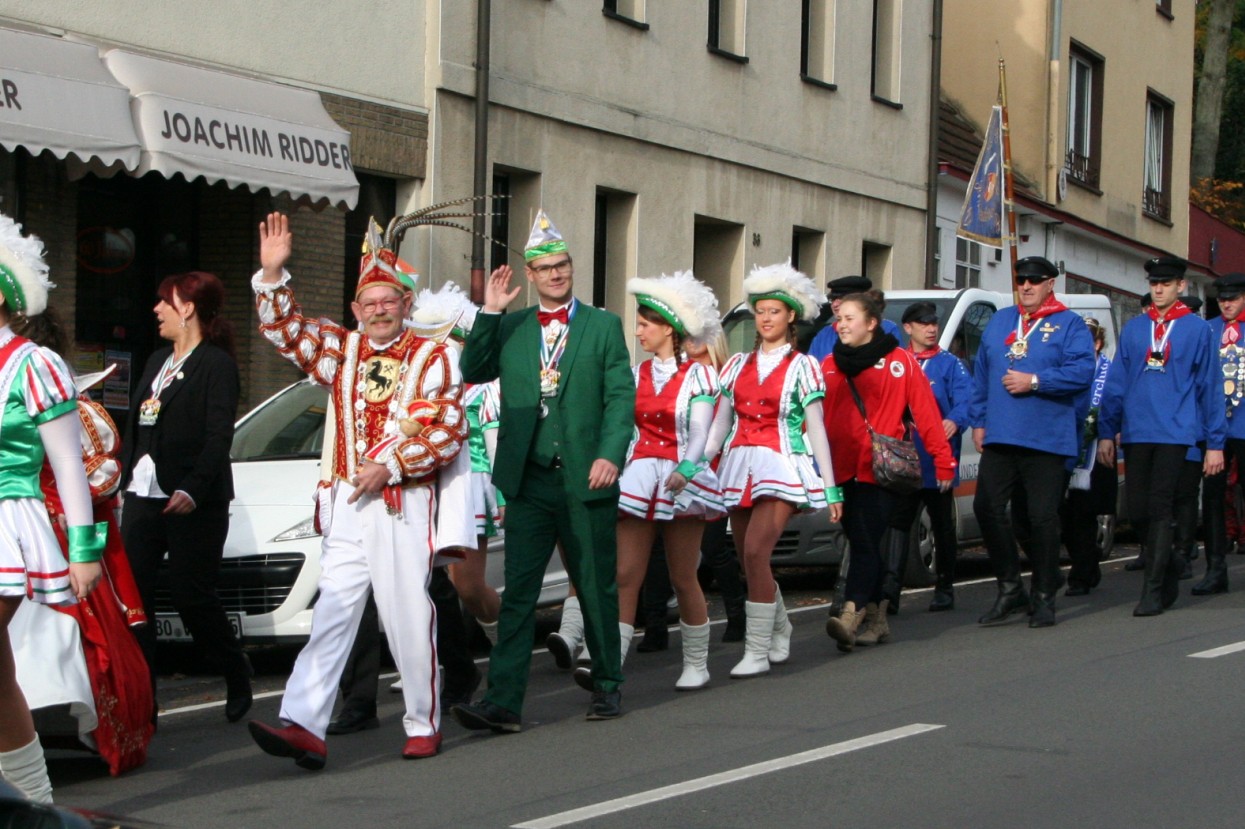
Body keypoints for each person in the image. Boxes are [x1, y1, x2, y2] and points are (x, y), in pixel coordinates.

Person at [247, 212, 468, 767]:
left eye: (388, 300)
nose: (378, 310)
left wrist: (390, 466)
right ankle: (304, 723)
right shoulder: (341, 350)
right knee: (333, 611)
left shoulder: (434, 356)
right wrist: (272, 276)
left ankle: (422, 722)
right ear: (355, 309)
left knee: (405, 613)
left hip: (401, 501)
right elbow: (287, 332)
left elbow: (448, 430)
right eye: (369, 302)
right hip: (348, 501)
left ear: (406, 304)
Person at [452, 210, 634, 733]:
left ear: (571, 268)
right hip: (528, 479)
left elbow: (621, 397)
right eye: (546, 268)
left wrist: (610, 453)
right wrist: (490, 311)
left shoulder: (603, 325)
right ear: (530, 276)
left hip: (585, 475)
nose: (556, 274)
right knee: (519, 595)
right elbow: (473, 369)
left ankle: (607, 684)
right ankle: (503, 702)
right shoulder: (512, 325)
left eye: (562, 265)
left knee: (594, 585)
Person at [12, 309, 153, 775]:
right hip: (24, 527)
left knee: (53, 638)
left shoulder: (54, 388)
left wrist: (74, 533)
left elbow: (95, 473)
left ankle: (32, 762)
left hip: (41, 532)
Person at [0, 213, 104, 804]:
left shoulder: (33, 363)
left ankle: (31, 802)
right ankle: (33, 801)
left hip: (8, 522)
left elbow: (68, 464)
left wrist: (84, 551)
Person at [578, 270, 723, 692]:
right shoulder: (635, 374)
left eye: (645, 324)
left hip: (682, 477)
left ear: (668, 329)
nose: (638, 331)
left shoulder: (699, 375)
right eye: (638, 324)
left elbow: (700, 431)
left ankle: (696, 663)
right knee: (626, 573)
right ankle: (610, 665)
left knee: (683, 575)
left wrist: (687, 469)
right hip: (640, 476)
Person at [118, 270, 250, 724]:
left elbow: (219, 435)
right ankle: (144, 703)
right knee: (135, 598)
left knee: (191, 595)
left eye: (165, 301)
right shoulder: (157, 361)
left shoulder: (216, 365)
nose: (156, 309)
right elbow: (137, 427)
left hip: (194, 498)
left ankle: (234, 667)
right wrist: (120, 479)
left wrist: (193, 487)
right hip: (143, 493)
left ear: (188, 308)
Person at [704, 261, 842, 677]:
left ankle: (757, 649)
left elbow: (817, 430)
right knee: (748, 561)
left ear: (790, 317)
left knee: (755, 551)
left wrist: (831, 489)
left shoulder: (803, 366)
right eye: (760, 311)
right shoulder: (736, 365)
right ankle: (780, 626)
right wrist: (695, 465)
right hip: (739, 465)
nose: (765, 319)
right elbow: (720, 426)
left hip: (782, 464)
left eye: (774, 311)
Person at [822, 294, 955, 650]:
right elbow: (814, 418)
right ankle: (878, 617)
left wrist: (943, 461)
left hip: (882, 469)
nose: (842, 324)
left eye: (850, 318)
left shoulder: (900, 362)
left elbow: (926, 414)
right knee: (862, 541)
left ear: (871, 323)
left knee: (866, 540)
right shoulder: (829, 364)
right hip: (841, 469)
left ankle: (850, 614)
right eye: (840, 318)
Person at [970, 256, 1095, 628]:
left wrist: (1036, 381)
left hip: (1046, 437)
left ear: (1050, 284)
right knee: (986, 508)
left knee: (1042, 519)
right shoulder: (1001, 320)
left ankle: (1043, 595)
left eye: (1034, 280)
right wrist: (978, 420)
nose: (1026, 286)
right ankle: (1010, 587)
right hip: (1001, 433)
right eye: (1021, 279)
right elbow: (982, 372)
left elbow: (1082, 371)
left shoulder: (1069, 324)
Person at [1097, 256, 1225, 617]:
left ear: (1180, 286)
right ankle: (1169, 561)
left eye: (1166, 284)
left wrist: (1214, 443)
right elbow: (1117, 382)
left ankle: (1152, 591)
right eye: (1154, 284)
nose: (1158, 290)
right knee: (1137, 510)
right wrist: (1107, 430)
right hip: (1137, 431)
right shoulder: (1136, 328)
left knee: (1160, 507)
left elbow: (1211, 387)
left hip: (1176, 431)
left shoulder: (1197, 330)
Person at [882, 301, 971, 614]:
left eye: (933, 323)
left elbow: (967, 400)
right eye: (923, 324)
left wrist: (955, 420)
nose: (931, 329)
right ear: (908, 328)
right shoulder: (896, 362)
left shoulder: (950, 364)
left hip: (935, 458)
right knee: (898, 523)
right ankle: (889, 592)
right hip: (902, 459)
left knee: (941, 523)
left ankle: (945, 587)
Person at [1194, 272, 1245, 595]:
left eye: (1233, 298)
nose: (1226, 304)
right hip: (1214, 429)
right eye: (1222, 299)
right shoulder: (1207, 330)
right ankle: (1216, 569)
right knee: (1213, 499)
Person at [1062, 316, 1118, 596]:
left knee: (1084, 513)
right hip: (1066, 450)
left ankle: (1081, 574)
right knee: (1065, 515)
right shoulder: (1068, 369)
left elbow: (1117, 403)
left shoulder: (1109, 372)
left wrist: (1111, 431)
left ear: (1097, 344)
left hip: (1097, 453)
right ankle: (1087, 560)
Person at [807, 275, 901, 361]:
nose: (835, 304)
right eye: (832, 299)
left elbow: (897, 366)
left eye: (842, 298)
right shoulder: (824, 334)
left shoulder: (888, 329)